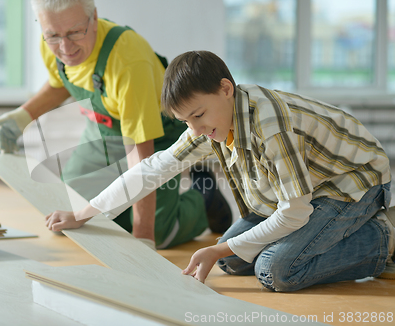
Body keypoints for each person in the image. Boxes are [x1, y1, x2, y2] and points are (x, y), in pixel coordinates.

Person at [46, 50, 395, 292]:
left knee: (275, 271)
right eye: (186, 121)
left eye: (197, 116)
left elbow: (294, 212)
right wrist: (84, 213)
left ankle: (383, 240)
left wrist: (219, 248)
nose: (194, 129)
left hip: (351, 183)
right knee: (234, 262)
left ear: (225, 89)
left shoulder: (270, 124)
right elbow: (153, 168)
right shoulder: (210, 122)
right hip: (299, 193)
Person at [0, 0, 231, 250]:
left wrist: (143, 238)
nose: (65, 48)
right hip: (103, 130)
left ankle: (203, 200)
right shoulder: (52, 41)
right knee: (67, 211)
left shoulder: (128, 62)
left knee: (159, 232)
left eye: (74, 33)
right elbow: (61, 81)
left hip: (155, 134)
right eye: (53, 35)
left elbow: (141, 162)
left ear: (93, 18)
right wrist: (21, 118)